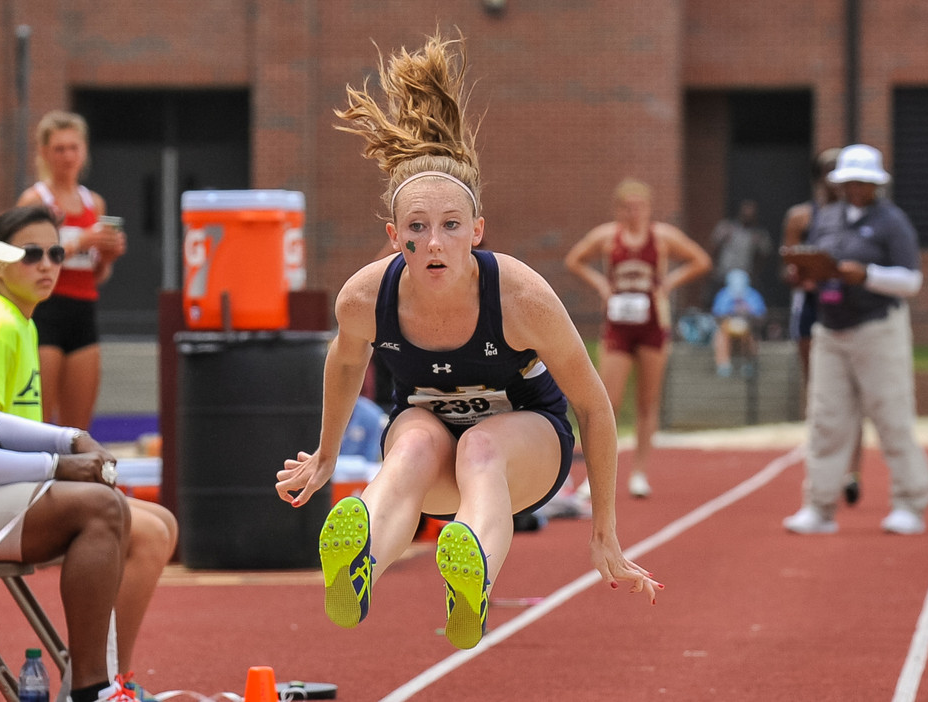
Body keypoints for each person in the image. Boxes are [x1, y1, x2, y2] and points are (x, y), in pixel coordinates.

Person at [276, 32, 662, 650]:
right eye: (418, 228)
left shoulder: (519, 296)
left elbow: (592, 404)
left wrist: (604, 531)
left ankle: (471, 570)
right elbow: (345, 361)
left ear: (477, 231)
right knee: (410, 450)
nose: (433, 243)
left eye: (451, 227)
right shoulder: (365, 297)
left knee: (480, 446)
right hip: (428, 433)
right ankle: (359, 556)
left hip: (526, 449)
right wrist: (324, 455)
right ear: (393, 233)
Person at [0, 205, 177, 686]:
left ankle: (112, 676)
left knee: (159, 522)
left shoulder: (20, 322)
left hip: (11, 488)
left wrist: (70, 451)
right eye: (30, 253)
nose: (48, 264)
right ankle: (104, 679)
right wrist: (57, 467)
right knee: (152, 533)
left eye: (55, 252)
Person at [782, 144, 928, 535]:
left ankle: (909, 503)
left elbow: (911, 281)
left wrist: (865, 275)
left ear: (875, 184)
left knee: (891, 416)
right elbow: (819, 263)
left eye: (862, 183)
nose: (855, 189)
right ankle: (819, 506)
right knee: (826, 420)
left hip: (877, 328)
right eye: (849, 182)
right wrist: (806, 275)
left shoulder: (892, 222)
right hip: (830, 329)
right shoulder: (826, 219)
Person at [564, 178, 711, 498]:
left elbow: (700, 259)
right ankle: (597, 477)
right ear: (619, 209)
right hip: (618, 325)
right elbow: (574, 259)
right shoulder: (607, 237)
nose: (634, 213)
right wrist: (602, 284)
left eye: (639, 207)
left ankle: (639, 473)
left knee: (647, 401)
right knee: (606, 401)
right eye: (628, 207)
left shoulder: (661, 237)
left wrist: (669, 282)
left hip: (651, 324)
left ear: (648, 208)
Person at [16, 110, 126, 430]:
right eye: (59, 149)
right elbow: (24, 262)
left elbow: (97, 276)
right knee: (40, 420)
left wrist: (107, 255)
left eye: (73, 148)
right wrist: (79, 242)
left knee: (78, 427)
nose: (67, 156)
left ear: (85, 151)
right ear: (44, 152)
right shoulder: (35, 200)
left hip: (83, 312)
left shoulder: (94, 203)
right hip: (46, 312)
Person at [782, 148, 863, 505]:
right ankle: (819, 468)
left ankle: (852, 471)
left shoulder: (859, 217)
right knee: (818, 391)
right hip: (812, 309)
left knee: (854, 390)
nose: (836, 179)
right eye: (830, 172)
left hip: (850, 308)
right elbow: (788, 268)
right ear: (819, 178)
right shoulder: (802, 217)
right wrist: (805, 274)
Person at [707, 199, 773, 302]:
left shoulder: (759, 234)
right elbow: (713, 248)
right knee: (716, 299)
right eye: (745, 211)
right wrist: (714, 268)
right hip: (723, 274)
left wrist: (755, 273)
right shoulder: (726, 227)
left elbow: (765, 256)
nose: (748, 214)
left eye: (751, 212)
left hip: (747, 276)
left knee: (753, 300)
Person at [711, 268, 766, 378]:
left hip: (747, 328)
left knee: (751, 337)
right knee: (720, 336)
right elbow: (717, 315)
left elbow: (761, 315)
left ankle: (749, 364)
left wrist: (747, 312)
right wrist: (731, 313)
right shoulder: (724, 294)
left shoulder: (752, 295)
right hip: (727, 329)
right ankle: (723, 365)